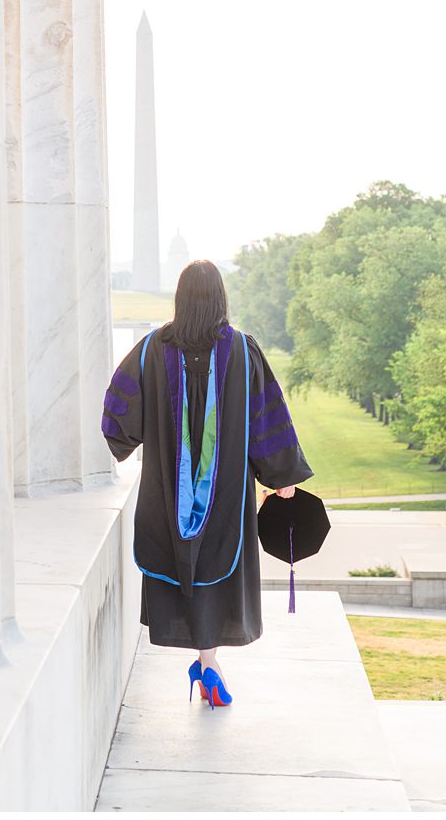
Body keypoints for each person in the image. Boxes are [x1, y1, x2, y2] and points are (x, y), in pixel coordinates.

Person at [101, 259, 313, 706]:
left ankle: (207, 665)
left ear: (179, 298)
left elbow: (119, 420)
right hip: (228, 496)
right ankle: (209, 662)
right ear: (220, 298)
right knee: (217, 570)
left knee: (183, 570)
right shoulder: (242, 350)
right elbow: (265, 417)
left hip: (165, 494)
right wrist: (282, 477)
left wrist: (127, 441)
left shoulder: (149, 350)